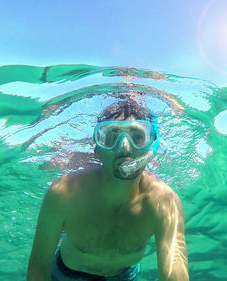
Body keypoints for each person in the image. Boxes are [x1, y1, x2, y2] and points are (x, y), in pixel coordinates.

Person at [27, 97, 189, 281]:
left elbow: (175, 273)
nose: (124, 148)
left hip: (124, 276)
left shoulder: (164, 201)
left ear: (150, 148)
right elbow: (38, 268)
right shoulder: (65, 193)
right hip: (67, 275)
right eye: (111, 136)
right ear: (97, 149)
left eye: (137, 136)